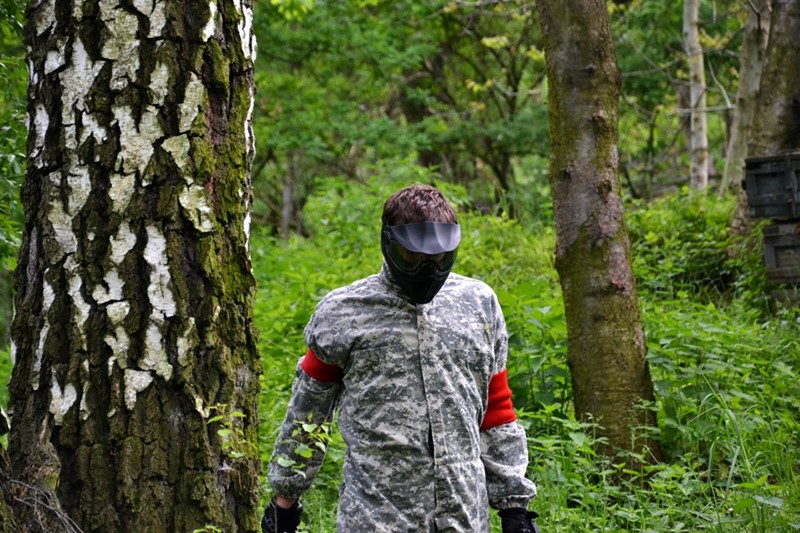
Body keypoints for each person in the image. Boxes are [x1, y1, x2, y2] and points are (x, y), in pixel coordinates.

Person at [262, 184, 539, 533]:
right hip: (376, 518)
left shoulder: (479, 304)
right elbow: (308, 414)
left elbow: (496, 409)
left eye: (439, 258)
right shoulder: (342, 313)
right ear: (389, 244)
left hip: (463, 516)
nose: (428, 270)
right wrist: (285, 500)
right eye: (412, 257)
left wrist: (515, 507)